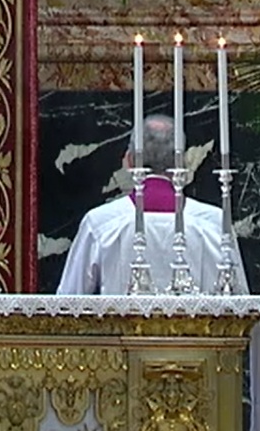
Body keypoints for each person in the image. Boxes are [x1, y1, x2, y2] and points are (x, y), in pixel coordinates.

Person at [56, 115, 246, 296]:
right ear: (183, 163)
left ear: (129, 161)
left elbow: (69, 303)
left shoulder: (100, 223)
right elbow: (243, 308)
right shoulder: (216, 223)